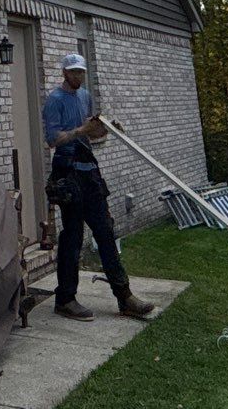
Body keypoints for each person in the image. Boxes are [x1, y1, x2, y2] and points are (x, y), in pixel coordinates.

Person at [42, 52, 154, 320]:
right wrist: (81, 130)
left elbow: (91, 132)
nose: (79, 76)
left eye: (81, 71)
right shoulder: (55, 101)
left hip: (89, 171)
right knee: (73, 237)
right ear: (65, 73)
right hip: (67, 172)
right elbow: (52, 140)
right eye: (74, 72)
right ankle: (65, 299)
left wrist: (107, 129)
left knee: (105, 231)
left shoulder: (85, 96)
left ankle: (125, 296)